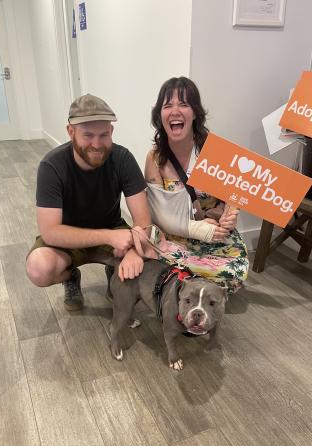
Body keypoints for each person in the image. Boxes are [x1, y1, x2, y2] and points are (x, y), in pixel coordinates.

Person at [26, 93, 152, 310]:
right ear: (70, 131)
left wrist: (133, 251)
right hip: (68, 237)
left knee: (149, 259)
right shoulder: (52, 166)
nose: (96, 144)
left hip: (113, 229)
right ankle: (70, 276)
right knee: (39, 269)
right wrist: (109, 236)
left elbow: (144, 220)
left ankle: (116, 274)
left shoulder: (123, 159)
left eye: (103, 134)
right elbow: (50, 232)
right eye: (88, 135)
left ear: (111, 131)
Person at [144, 77, 249, 293]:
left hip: (212, 230)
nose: (175, 111)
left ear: (195, 113)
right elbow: (157, 215)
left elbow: (231, 197)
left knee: (237, 270)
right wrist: (196, 230)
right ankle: (196, 284)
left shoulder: (213, 150)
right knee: (153, 253)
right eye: (168, 105)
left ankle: (185, 283)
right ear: (159, 115)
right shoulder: (155, 158)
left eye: (184, 104)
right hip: (173, 236)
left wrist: (228, 214)